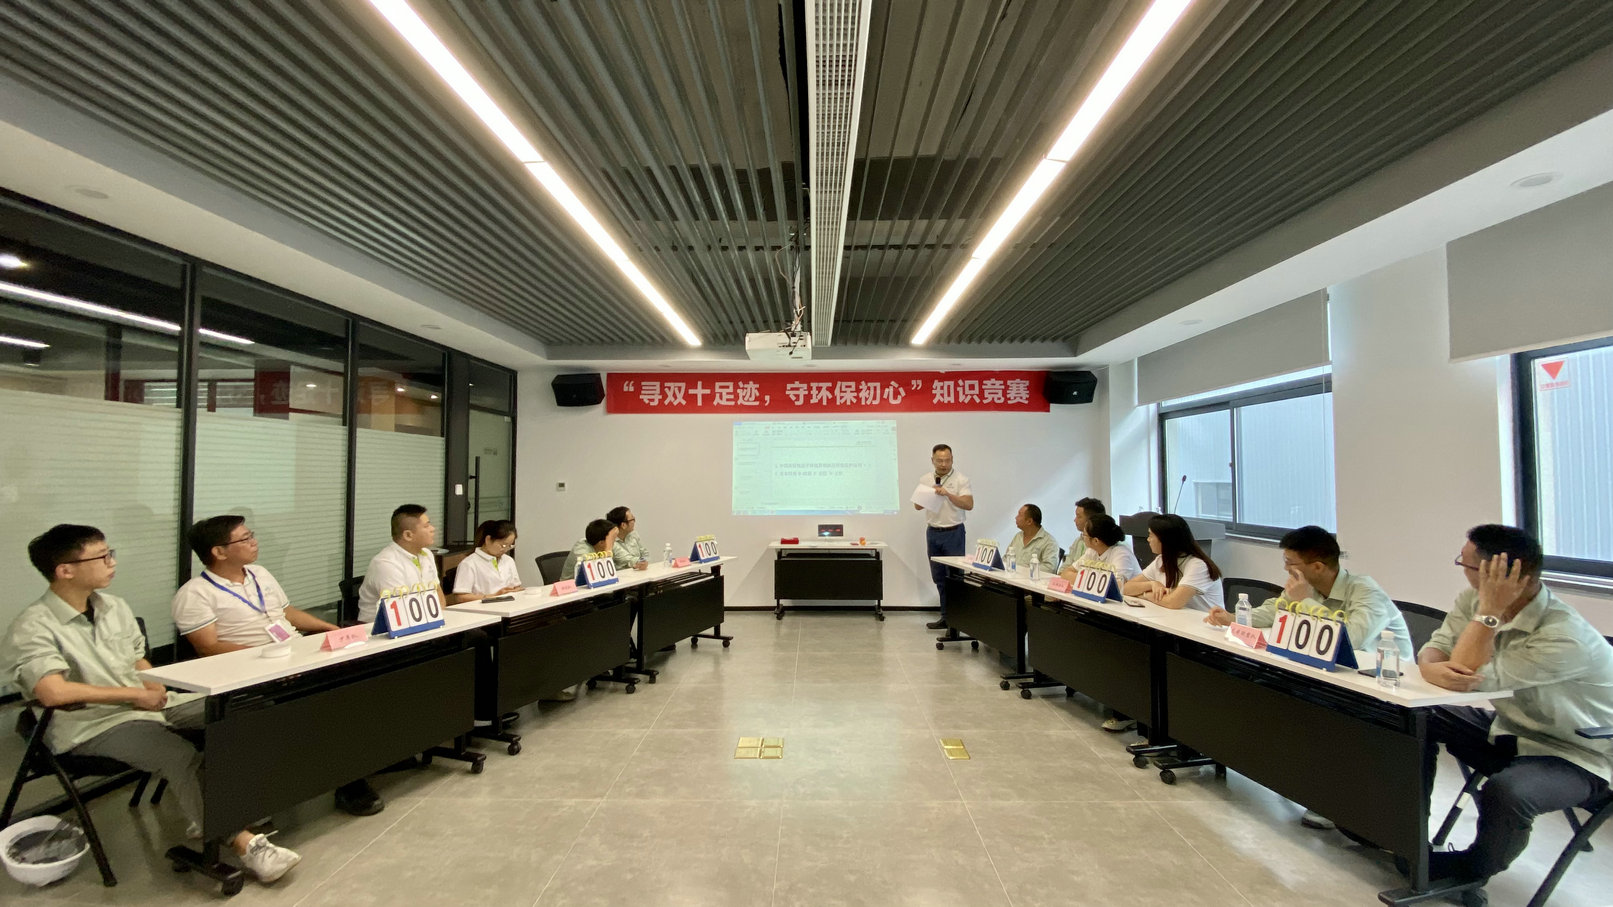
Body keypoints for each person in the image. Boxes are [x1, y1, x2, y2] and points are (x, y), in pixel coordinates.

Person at [2, 525, 301, 884]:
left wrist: (153, 684)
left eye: (110, 553)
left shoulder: (113, 606)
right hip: (92, 724)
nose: (112, 562)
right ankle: (246, 845)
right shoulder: (32, 625)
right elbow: (54, 692)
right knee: (176, 753)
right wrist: (134, 695)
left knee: (247, 709)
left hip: (150, 704)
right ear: (65, 570)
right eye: (102, 557)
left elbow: (137, 659)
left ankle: (220, 810)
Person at [1417, 524, 1613, 889]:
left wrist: (1489, 612)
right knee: (1415, 717)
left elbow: (1467, 675)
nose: (1462, 570)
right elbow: (1438, 647)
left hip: (1579, 755)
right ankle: (1406, 833)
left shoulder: (1564, 637)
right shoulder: (1472, 599)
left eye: (1467, 564)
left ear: (1501, 576)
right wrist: (1430, 667)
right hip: (1511, 730)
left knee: (1509, 792)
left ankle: (1471, 871)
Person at [1202, 524, 1414, 829]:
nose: (1286, 570)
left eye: (1291, 563)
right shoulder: (1305, 587)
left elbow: (1352, 638)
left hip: (1383, 688)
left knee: (1313, 711)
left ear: (1317, 566)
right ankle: (1298, 779)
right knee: (1261, 686)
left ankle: (1335, 799)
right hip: (1330, 677)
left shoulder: (1364, 590)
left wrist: (1305, 602)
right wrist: (1234, 618)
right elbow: (1274, 611)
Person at [345, 503, 448, 816]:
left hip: (419, 630)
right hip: (380, 638)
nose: (433, 528)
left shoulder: (426, 555)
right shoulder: (386, 563)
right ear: (407, 534)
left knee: (471, 643)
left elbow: (437, 598)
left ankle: (437, 730)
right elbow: (404, 606)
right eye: (426, 525)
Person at [172, 515, 339, 654]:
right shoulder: (194, 593)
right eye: (245, 539)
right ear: (219, 552)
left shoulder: (259, 572)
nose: (254, 542)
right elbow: (208, 648)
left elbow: (286, 612)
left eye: (251, 536)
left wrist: (330, 628)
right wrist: (265, 655)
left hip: (293, 649)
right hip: (252, 663)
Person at [1061, 514, 1143, 734]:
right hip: (1101, 611)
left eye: (1085, 535)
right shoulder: (1092, 552)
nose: (1082, 537)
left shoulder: (1121, 554)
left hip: (1127, 619)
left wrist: (1084, 578)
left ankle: (1125, 711)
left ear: (1096, 540)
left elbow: (1117, 585)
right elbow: (1066, 572)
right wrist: (1086, 578)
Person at [914, 443, 973, 633]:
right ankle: (946, 617)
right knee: (939, 577)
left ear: (952, 459)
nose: (943, 464)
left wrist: (948, 494)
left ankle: (957, 622)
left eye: (947, 460)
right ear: (932, 460)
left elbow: (968, 504)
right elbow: (917, 506)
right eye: (939, 460)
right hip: (933, 532)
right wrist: (930, 493)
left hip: (954, 532)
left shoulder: (961, 479)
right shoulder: (926, 479)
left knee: (955, 578)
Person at [1122, 514, 1224, 612]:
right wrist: (1151, 584)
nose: (1148, 539)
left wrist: (1145, 595)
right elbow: (1125, 588)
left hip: (1202, 622)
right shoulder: (1161, 560)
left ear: (1165, 539)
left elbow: (1174, 602)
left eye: (1151, 535)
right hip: (1175, 618)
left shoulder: (1198, 565)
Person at [448, 519, 524, 604]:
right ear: (488, 539)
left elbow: (517, 587)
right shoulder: (469, 564)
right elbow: (460, 597)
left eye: (510, 546)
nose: (505, 549)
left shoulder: (508, 560)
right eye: (503, 545)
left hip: (509, 606)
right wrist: (494, 596)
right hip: (482, 608)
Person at [1004, 504, 1060, 574]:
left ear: (1029, 521)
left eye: (1019, 515)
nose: (1016, 517)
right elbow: (1006, 558)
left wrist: (1025, 570)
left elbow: (1049, 568)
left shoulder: (1049, 542)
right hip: (1011, 577)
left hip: (1031, 579)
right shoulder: (1018, 536)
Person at [607, 506, 650, 571]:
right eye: (632, 519)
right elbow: (627, 559)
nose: (634, 522)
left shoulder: (633, 534)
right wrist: (638, 563)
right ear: (623, 525)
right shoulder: (611, 542)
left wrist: (644, 561)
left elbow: (645, 553)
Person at [1067, 497, 1106, 566]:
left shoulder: (1100, 545)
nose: (1075, 520)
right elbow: (1067, 566)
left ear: (1091, 520)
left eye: (1079, 517)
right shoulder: (1078, 541)